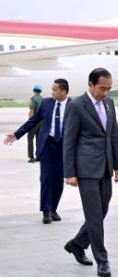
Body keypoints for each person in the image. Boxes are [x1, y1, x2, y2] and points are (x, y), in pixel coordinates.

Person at [62, 68, 118, 277]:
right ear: (90, 85)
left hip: (106, 166)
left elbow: (113, 134)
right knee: (95, 215)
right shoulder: (77, 105)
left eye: (108, 88)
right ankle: (102, 260)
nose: (105, 92)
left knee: (102, 211)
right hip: (86, 168)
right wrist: (69, 172)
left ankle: (77, 244)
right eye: (101, 88)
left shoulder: (109, 103)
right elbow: (69, 141)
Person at [4, 79, 70, 223]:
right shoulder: (46, 103)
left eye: (55, 90)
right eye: (52, 89)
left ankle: (53, 209)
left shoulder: (73, 106)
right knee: (46, 178)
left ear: (64, 91)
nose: (52, 92)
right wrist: (16, 134)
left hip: (63, 147)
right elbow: (32, 121)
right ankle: (46, 212)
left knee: (58, 180)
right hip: (47, 144)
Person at [27, 85, 43, 162]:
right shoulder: (43, 99)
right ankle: (39, 156)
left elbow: (32, 111)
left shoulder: (33, 99)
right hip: (41, 121)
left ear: (34, 90)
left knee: (30, 138)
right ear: (40, 91)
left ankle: (31, 157)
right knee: (38, 139)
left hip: (35, 121)